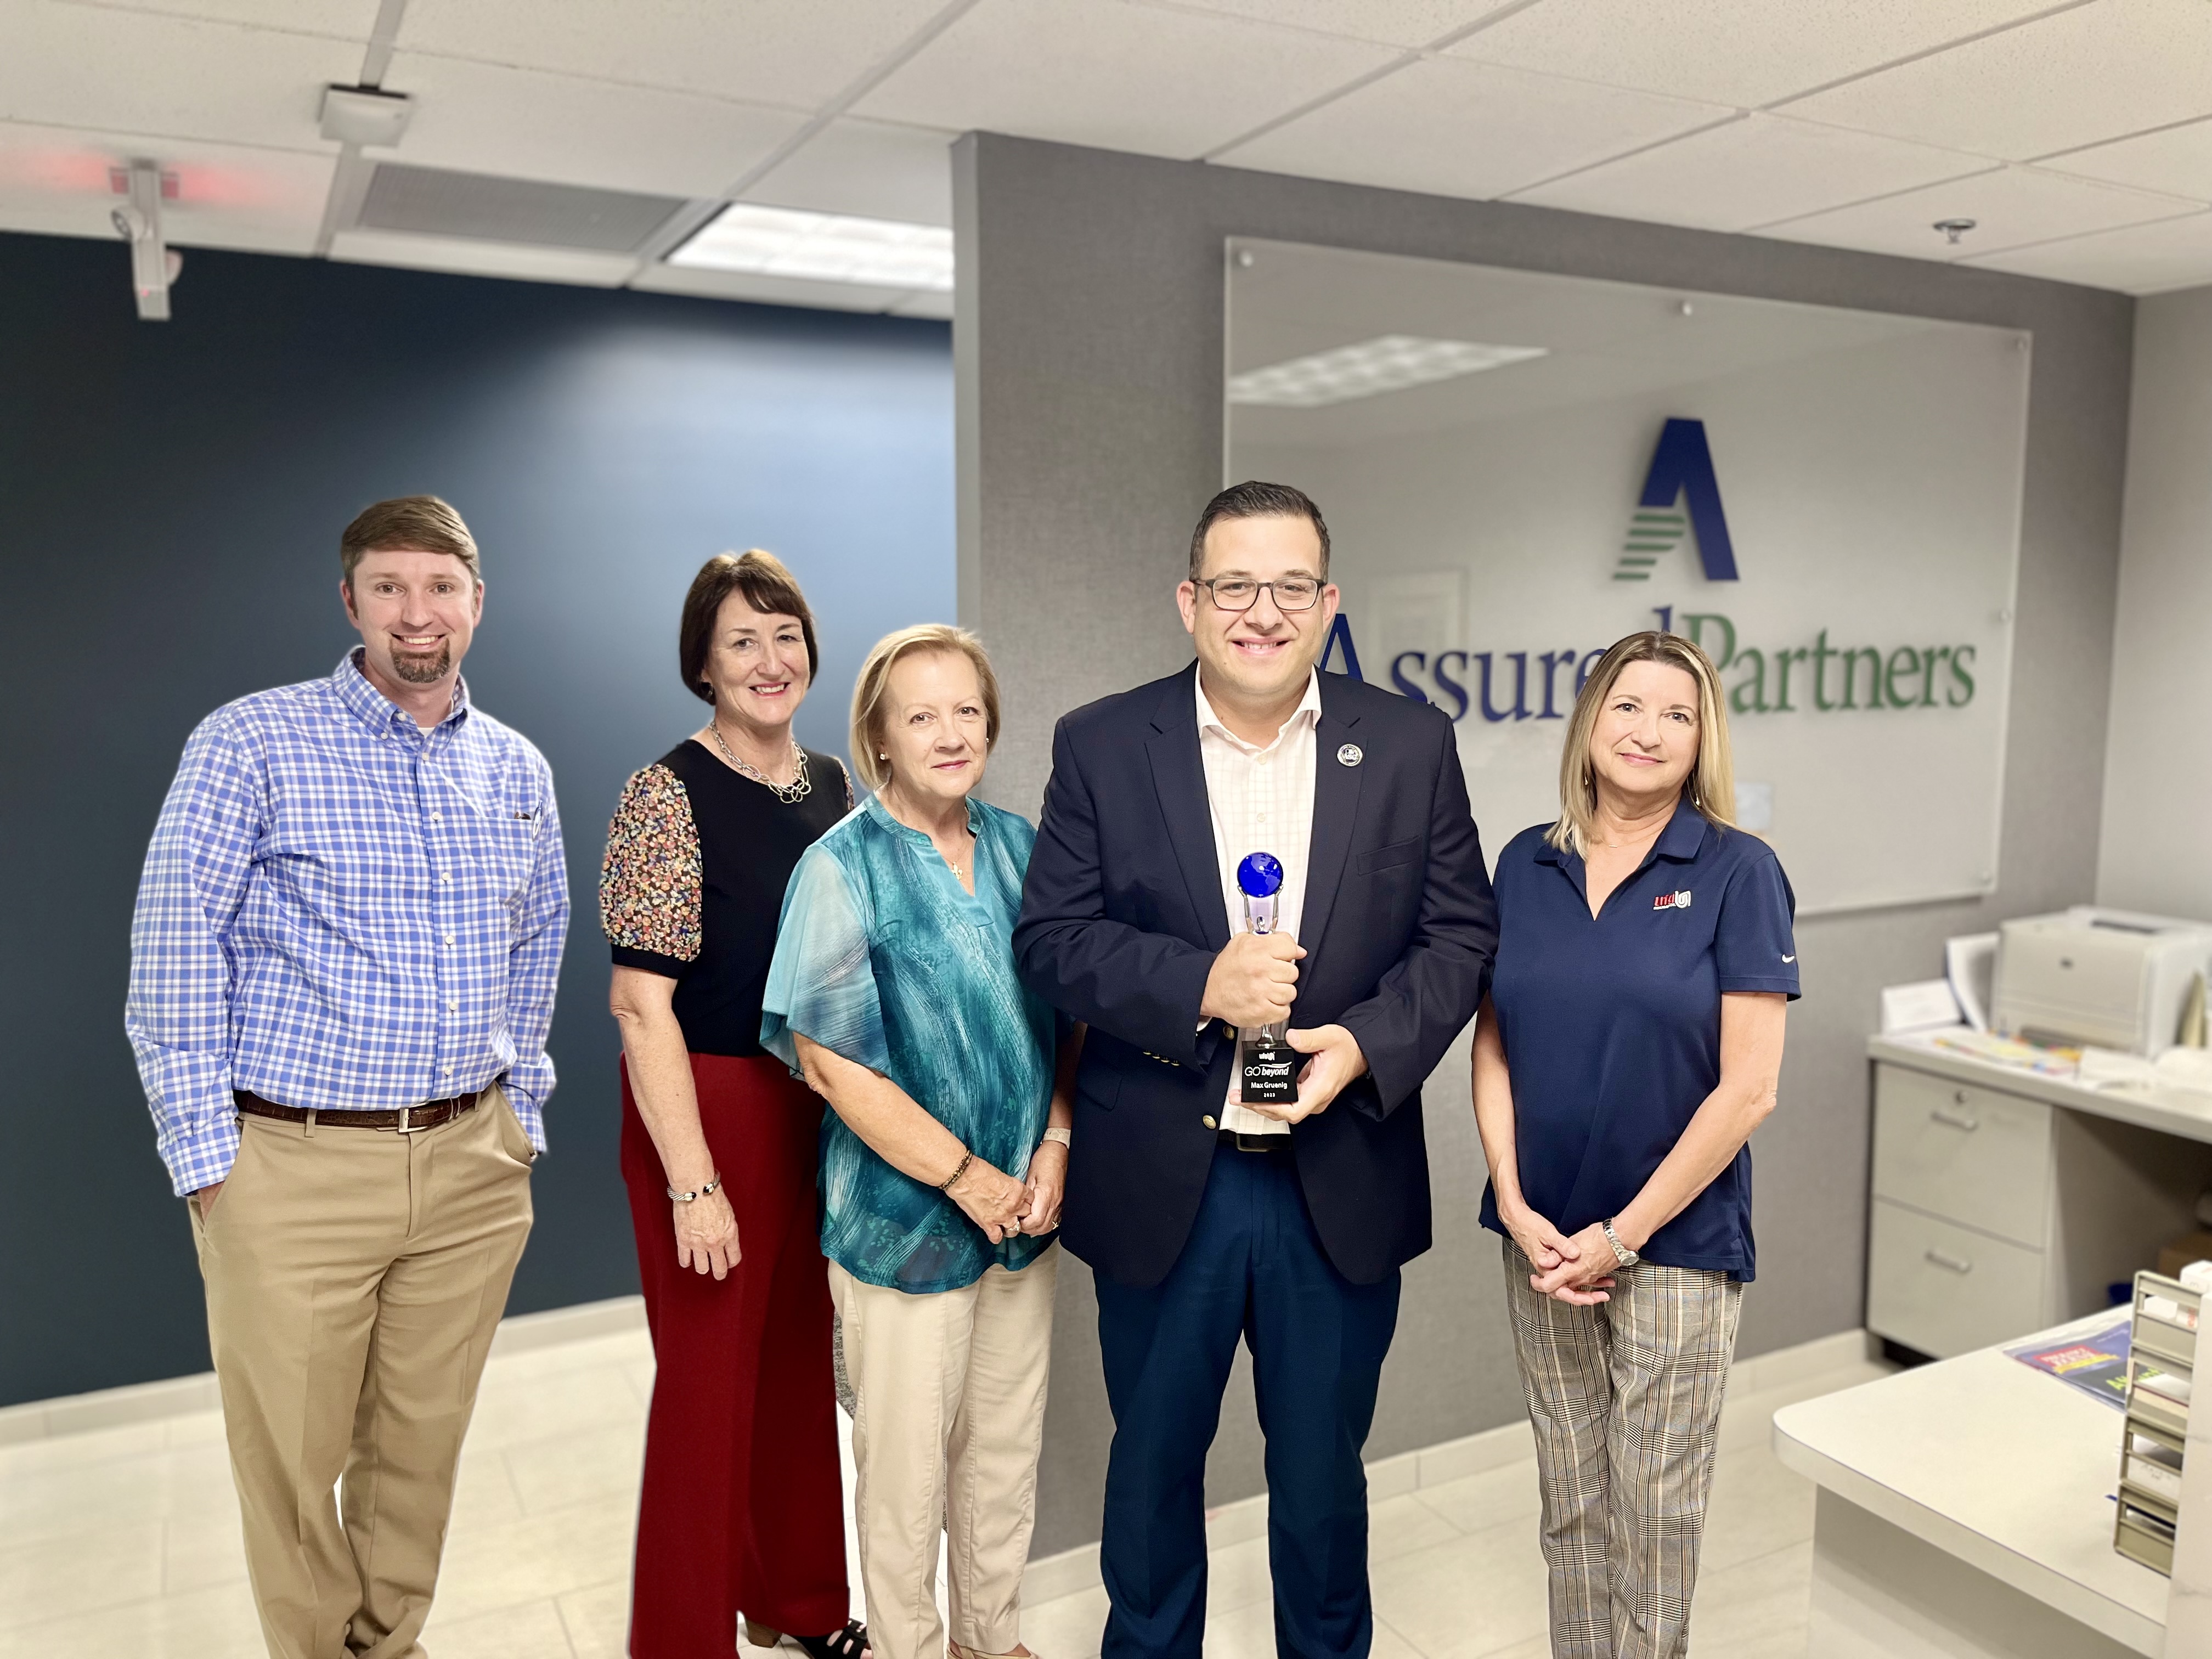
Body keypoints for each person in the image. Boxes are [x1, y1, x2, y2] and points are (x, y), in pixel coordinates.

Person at [1013, 481, 1498, 1659]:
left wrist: (1365, 1047)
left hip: (1336, 1173)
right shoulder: (1101, 743)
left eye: (1291, 586)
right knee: (1152, 1481)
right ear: (1190, 601)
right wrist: (1198, 987)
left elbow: (1462, 934)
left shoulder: (1408, 743)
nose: (1262, 612)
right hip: (1167, 1179)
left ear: (1330, 604)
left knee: (1325, 1490)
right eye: (1235, 585)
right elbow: (1051, 940)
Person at [125, 495, 568, 1659]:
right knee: (294, 1466)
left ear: (477, 601)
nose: (416, 613)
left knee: (418, 1453)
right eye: (389, 586)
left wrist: (520, 1111)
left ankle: (392, 1642)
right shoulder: (251, 741)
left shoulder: (517, 768)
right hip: (293, 1166)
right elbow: (174, 950)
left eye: (440, 586)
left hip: (472, 1166)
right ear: (350, 601)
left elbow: (539, 949)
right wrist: (209, 1162)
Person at [1471, 630, 1796, 1659]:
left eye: (1678, 714)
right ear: (1589, 720)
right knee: (1571, 1499)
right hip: (1541, 1242)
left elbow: (1749, 1091)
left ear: (1703, 741)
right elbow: (1493, 1044)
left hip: (1675, 1245)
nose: (1648, 731)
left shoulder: (1740, 871)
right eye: (1628, 705)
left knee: (1654, 1512)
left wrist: (1622, 1235)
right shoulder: (1527, 861)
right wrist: (1517, 1207)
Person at [761, 624, 1078, 1659]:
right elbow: (830, 1058)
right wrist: (968, 1178)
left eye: (968, 710)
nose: (951, 733)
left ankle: (994, 1639)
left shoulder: (1027, 848)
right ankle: (907, 1647)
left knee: (1003, 1452)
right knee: (904, 1476)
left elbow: (1071, 1023)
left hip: (1025, 1215)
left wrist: (1056, 1147)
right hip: (905, 1224)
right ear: (880, 738)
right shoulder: (840, 867)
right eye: (921, 714)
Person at [600, 550, 868, 1659]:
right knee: (709, 1395)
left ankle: (800, 1605)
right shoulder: (666, 792)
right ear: (703, 666)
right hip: (710, 1112)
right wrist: (694, 1184)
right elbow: (637, 1005)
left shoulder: (832, 788)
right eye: (742, 641)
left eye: (786, 634)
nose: (771, 660)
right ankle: (682, 1642)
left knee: (804, 1369)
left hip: (817, 1105)